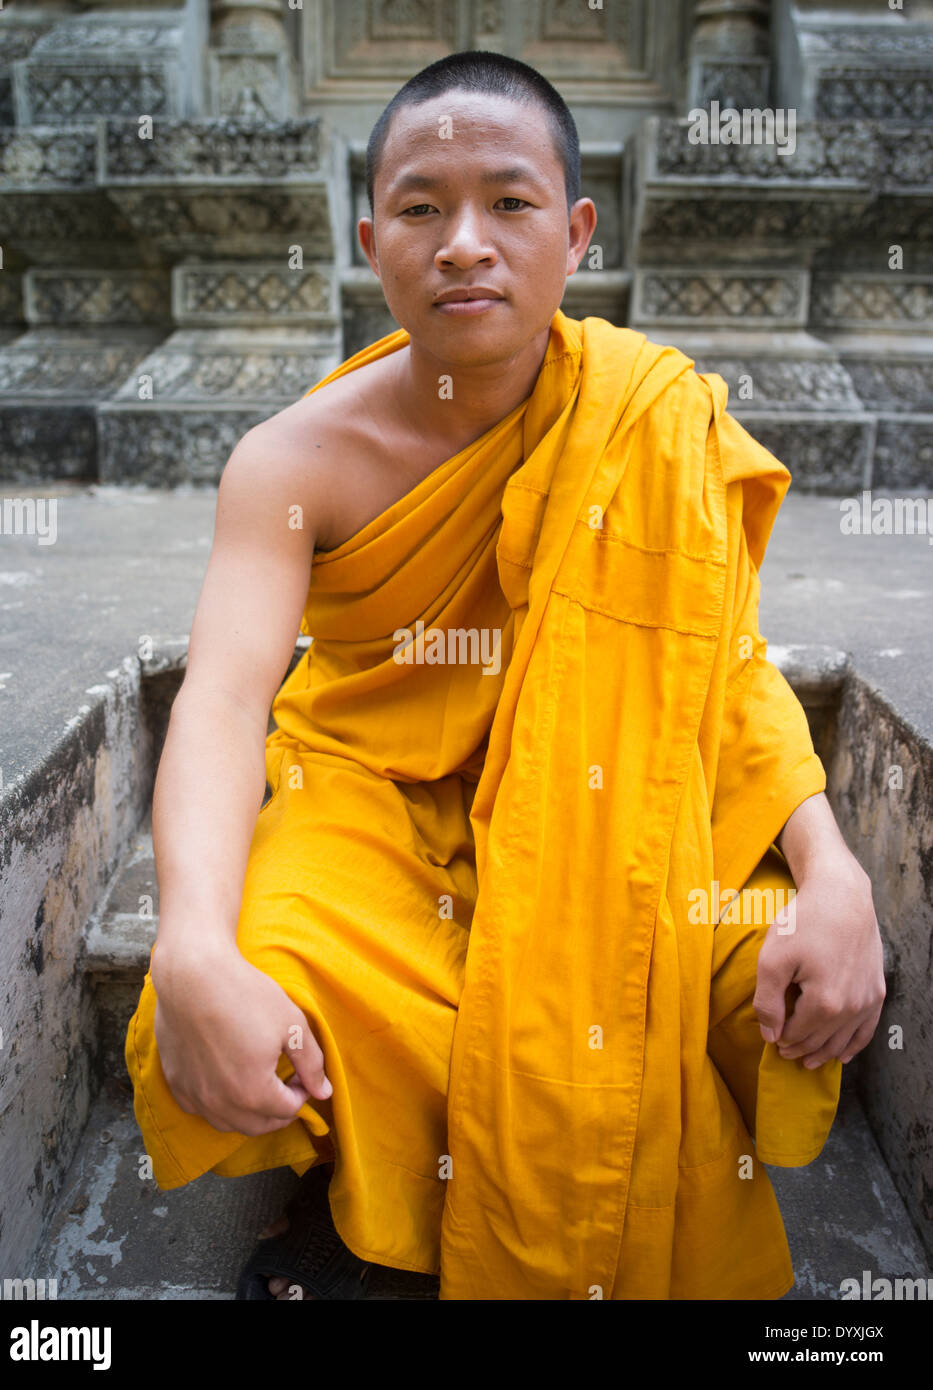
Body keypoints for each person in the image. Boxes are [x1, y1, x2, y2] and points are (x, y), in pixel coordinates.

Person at [124, 50, 885, 1301]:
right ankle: (367, 1209)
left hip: (613, 797)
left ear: (578, 232)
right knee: (276, 959)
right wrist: (189, 940)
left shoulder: (648, 414)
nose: (464, 243)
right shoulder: (287, 462)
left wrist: (831, 866)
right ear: (372, 238)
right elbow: (219, 698)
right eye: (421, 207)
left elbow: (720, 669)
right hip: (378, 801)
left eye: (510, 204)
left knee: (762, 964)